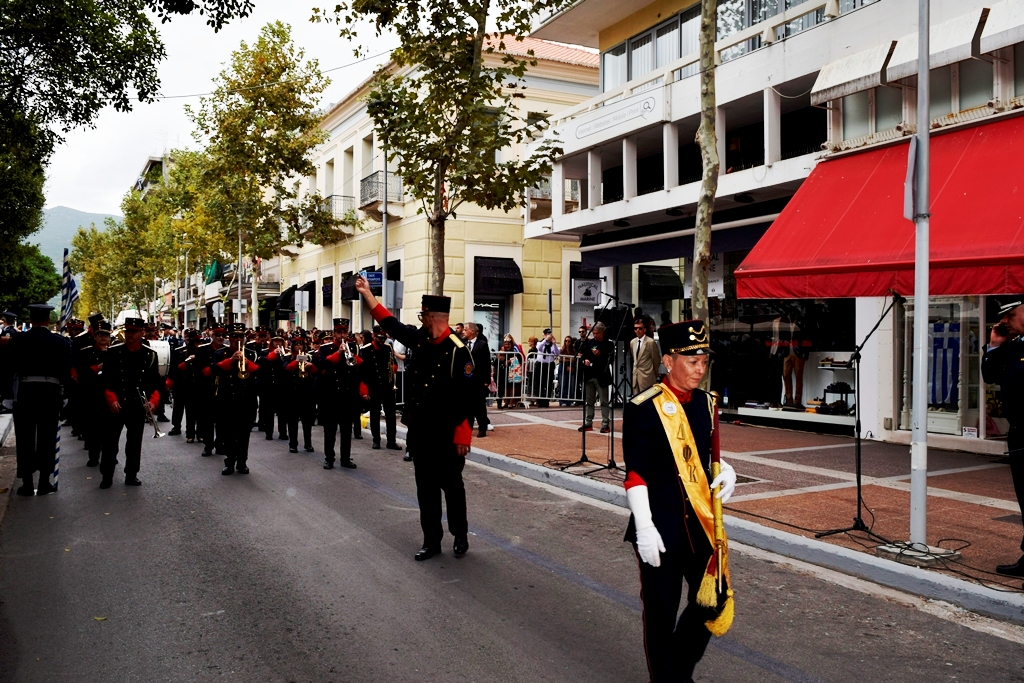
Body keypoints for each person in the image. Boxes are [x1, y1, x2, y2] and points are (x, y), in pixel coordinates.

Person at [622, 319, 737, 682]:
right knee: (661, 614)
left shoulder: (706, 403)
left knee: (711, 601)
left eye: (704, 362)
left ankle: (676, 672)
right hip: (661, 526)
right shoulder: (645, 406)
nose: (700, 370)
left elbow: (703, 457)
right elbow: (636, 472)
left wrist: (727, 470)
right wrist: (643, 526)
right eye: (692, 362)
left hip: (700, 527)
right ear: (668, 361)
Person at [355, 275, 474, 561]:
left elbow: (467, 396)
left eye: (423, 315)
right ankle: (431, 540)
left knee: (452, 486)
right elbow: (389, 323)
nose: (421, 320)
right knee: (426, 488)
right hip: (421, 430)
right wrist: (367, 294)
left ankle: (460, 534)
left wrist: (463, 435)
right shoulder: (419, 338)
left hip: (447, 431)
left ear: (434, 316)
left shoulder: (459, 350)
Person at [5, 304, 71, 495]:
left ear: (31, 319)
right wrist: (65, 395)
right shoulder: (60, 342)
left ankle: (26, 483)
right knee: (47, 437)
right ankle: (43, 482)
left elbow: (8, 369)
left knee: (25, 438)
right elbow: (65, 371)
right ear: (48, 320)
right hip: (50, 393)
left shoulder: (18, 340)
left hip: (25, 392)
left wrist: (8, 395)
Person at [983, 296, 1024, 578]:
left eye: (1011, 314)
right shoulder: (1014, 345)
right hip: (1020, 432)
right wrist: (994, 345)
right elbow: (990, 375)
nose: (1005, 320)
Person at [101, 317, 162, 488]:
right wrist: (111, 399)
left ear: (142, 333)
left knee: (134, 442)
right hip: (117, 402)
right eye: (127, 331)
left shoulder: (150, 355)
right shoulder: (113, 352)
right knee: (110, 442)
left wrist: (153, 402)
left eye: (134, 331)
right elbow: (106, 379)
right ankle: (107, 475)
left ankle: (131, 474)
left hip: (136, 404)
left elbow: (154, 383)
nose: (129, 335)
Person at [206, 323, 260, 475]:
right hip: (227, 399)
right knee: (228, 433)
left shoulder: (251, 353)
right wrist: (230, 361)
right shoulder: (220, 353)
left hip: (246, 399)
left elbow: (258, 372)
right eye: (234, 336)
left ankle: (242, 462)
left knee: (244, 434)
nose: (238, 339)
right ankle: (229, 462)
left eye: (241, 336)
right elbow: (214, 370)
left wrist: (247, 362)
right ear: (229, 338)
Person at [315, 318, 363, 470]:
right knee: (330, 430)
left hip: (348, 396)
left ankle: (345, 458)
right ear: (334, 333)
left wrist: (352, 355)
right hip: (331, 396)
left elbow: (361, 368)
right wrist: (338, 353)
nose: (342, 335)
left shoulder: (354, 347)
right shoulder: (325, 348)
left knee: (346, 430)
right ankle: (329, 458)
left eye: (344, 332)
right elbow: (320, 366)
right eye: (339, 332)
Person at [75, 320, 112, 466]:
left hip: (109, 396)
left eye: (106, 335)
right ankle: (94, 456)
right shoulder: (86, 352)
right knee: (93, 428)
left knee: (109, 430)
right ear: (95, 337)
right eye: (100, 335)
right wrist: (98, 367)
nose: (103, 338)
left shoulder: (115, 352)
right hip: (92, 395)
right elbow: (82, 373)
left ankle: (110, 455)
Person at [360, 324, 401, 450]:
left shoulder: (388, 347)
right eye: (379, 338)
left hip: (387, 385)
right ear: (373, 336)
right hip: (373, 385)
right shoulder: (366, 350)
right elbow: (361, 372)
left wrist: (393, 368)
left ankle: (391, 441)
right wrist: (364, 390)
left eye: (384, 338)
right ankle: (376, 440)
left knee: (391, 415)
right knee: (375, 414)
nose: (382, 340)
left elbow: (393, 362)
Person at [283, 333, 318, 453]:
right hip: (292, 393)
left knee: (307, 421)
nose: (299, 347)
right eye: (296, 344)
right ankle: (293, 444)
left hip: (306, 392)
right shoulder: (287, 357)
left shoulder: (310, 356)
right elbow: (286, 369)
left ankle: (308, 443)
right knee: (292, 420)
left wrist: (311, 365)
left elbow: (316, 372)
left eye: (301, 344)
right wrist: (298, 360)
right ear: (293, 346)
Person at [167, 329, 203, 441]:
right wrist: (170, 382)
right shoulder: (179, 351)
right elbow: (174, 369)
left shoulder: (202, 352)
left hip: (197, 384)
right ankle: (177, 426)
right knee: (179, 406)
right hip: (181, 383)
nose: (199, 344)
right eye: (196, 341)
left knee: (197, 410)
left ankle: (198, 432)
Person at [578, 321, 614, 433]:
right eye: (593, 333)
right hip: (589, 375)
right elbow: (582, 356)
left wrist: (600, 355)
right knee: (589, 401)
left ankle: (605, 423)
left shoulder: (608, 344)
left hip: (601, 376)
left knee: (604, 401)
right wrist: (585, 361)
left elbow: (611, 360)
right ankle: (588, 422)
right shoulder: (589, 343)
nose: (595, 335)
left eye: (597, 333)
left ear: (603, 332)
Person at [464, 322, 492, 436]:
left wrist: (486, 380)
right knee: (467, 405)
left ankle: (482, 428)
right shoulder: (463, 343)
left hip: (478, 380)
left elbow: (486, 363)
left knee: (479, 405)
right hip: (466, 380)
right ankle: (468, 427)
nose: (463, 332)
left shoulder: (482, 344)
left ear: (472, 331)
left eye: (465, 329)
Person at [630, 316, 662, 396]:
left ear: (644, 329)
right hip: (636, 376)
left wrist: (654, 373)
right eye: (635, 328)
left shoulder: (650, 342)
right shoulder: (633, 342)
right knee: (637, 401)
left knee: (647, 401)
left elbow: (656, 359)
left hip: (647, 376)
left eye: (640, 328)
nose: (637, 330)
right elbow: (635, 358)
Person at [534, 329, 559, 408]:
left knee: (548, 383)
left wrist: (554, 344)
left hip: (549, 365)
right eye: (546, 334)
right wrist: (545, 340)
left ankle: (546, 400)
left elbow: (557, 353)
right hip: (540, 364)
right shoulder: (540, 342)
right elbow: (539, 347)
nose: (548, 335)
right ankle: (540, 400)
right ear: (543, 335)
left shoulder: (552, 344)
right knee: (540, 382)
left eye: (549, 334)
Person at [557, 336, 577, 406]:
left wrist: (567, 359)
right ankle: (563, 401)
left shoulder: (573, 350)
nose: (567, 342)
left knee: (571, 384)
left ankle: (570, 400)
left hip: (571, 366)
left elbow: (574, 359)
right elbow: (560, 359)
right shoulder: (562, 349)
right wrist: (569, 359)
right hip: (563, 366)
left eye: (569, 341)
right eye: (566, 341)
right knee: (563, 384)